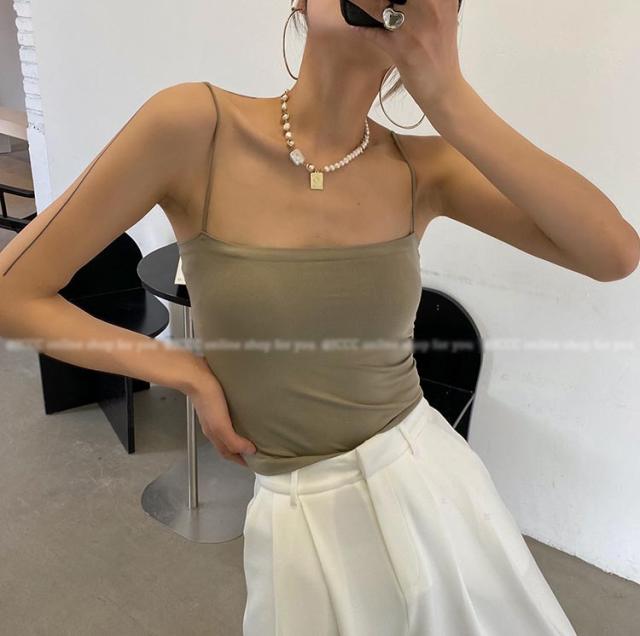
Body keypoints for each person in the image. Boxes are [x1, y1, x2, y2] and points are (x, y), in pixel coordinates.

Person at [0, 0, 637, 634]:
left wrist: (450, 97)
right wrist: (185, 372)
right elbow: (14, 294)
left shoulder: (424, 166)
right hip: (296, 509)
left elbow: (612, 254)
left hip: (427, 482)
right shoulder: (197, 127)